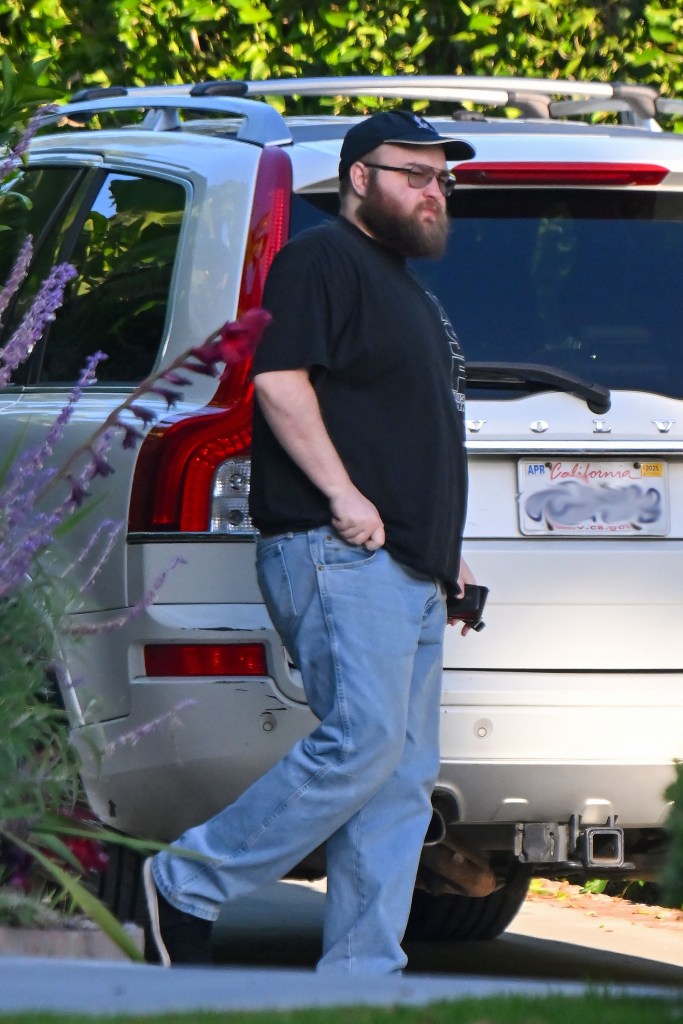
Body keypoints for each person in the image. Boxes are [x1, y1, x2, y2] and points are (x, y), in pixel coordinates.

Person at [143, 109, 477, 975]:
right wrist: (340, 494)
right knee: (363, 742)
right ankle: (184, 882)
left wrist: (450, 557)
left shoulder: (405, 288)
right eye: (414, 173)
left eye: (441, 177)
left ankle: (361, 977)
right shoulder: (320, 259)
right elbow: (278, 379)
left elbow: (411, 433)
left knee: (400, 777)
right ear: (360, 176)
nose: (433, 190)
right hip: (337, 551)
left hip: (408, 565)